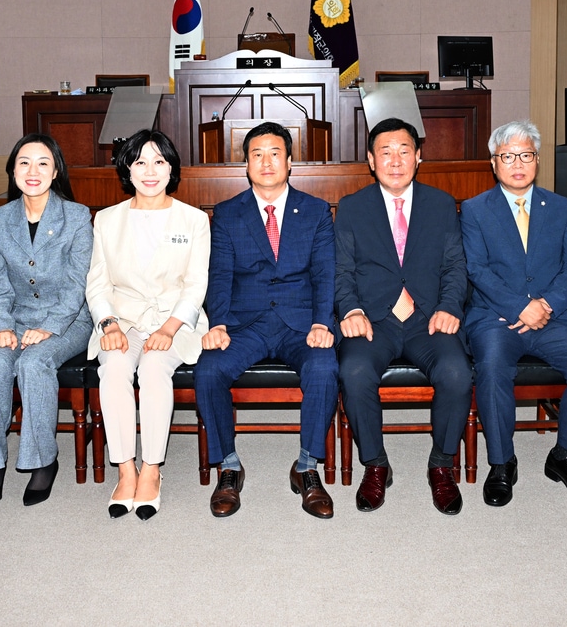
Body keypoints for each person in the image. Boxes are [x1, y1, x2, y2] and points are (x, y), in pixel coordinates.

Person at [195, 122, 338, 519]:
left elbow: (326, 273)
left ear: (290, 162)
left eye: (275, 153)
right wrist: (218, 323)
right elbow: (219, 273)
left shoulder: (314, 211)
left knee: (324, 367)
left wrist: (323, 323)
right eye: (257, 154)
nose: (266, 161)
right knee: (208, 370)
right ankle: (229, 466)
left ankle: (307, 467)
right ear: (246, 165)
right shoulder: (226, 213)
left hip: (301, 322)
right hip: (246, 323)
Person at [462, 119, 567, 505]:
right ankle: (501, 462)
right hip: (497, 316)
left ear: (537, 160)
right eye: (507, 156)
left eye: (525, 155)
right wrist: (519, 307)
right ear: (494, 164)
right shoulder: (475, 210)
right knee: (492, 367)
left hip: (553, 315)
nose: (517, 163)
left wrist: (546, 304)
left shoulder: (559, 207)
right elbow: (477, 269)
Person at [335, 118, 470, 515]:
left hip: (427, 318)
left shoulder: (442, 204)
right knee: (354, 373)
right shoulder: (353, 207)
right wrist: (352, 309)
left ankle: (441, 466)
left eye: (404, 151)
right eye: (386, 152)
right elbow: (341, 270)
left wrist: (449, 306)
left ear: (419, 156)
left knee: (457, 373)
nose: (396, 160)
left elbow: (455, 267)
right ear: (371, 161)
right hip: (373, 320)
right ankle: (376, 464)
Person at [86, 130, 210, 520]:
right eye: (139, 161)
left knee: (155, 370)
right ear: (127, 169)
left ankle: (152, 469)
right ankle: (125, 469)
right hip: (121, 320)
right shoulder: (106, 220)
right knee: (115, 367)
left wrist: (169, 328)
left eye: (159, 161)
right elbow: (97, 283)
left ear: (171, 168)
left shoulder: (193, 219)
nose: (150, 170)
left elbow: (196, 284)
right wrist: (108, 325)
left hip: (175, 321)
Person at [0, 134, 93, 507]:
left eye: (43, 162)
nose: (33, 171)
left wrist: (50, 327)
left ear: (56, 170)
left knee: (34, 361)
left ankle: (44, 459)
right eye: (24, 162)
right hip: (17, 317)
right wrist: (0, 324)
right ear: (12, 171)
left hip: (68, 320)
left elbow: (78, 284)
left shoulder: (76, 216)